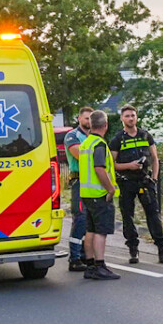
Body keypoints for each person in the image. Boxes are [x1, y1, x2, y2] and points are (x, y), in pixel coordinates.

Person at [111, 105, 163, 266]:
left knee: (153, 215)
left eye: (133, 115)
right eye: (127, 116)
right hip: (127, 182)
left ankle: (162, 250)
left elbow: (154, 158)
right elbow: (112, 164)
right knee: (128, 217)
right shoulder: (118, 139)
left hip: (145, 181)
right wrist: (129, 166)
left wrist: (154, 177)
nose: (131, 118)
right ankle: (133, 249)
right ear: (122, 119)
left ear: (137, 117)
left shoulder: (145, 135)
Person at [69, 109, 121, 281]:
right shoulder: (99, 144)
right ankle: (100, 265)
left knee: (90, 230)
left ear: (91, 125)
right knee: (101, 231)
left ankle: (90, 265)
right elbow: (99, 168)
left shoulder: (86, 143)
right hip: (99, 194)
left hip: (86, 193)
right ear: (105, 125)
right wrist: (110, 188)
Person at [63, 107, 95, 272]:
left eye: (92, 118)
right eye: (86, 118)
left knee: (90, 220)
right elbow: (79, 155)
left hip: (93, 182)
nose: (89, 121)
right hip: (79, 181)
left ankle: (85, 255)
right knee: (80, 218)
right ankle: (74, 258)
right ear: (79, 119)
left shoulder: (94, 136)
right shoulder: (73, 136)